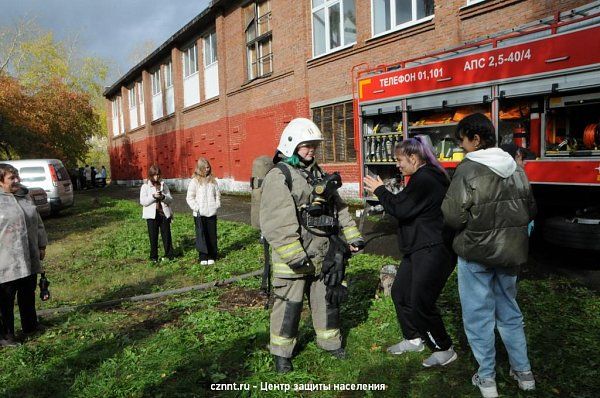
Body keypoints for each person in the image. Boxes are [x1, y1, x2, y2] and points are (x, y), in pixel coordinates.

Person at [442, 113, 537, 398]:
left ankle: (486, 379)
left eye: (463, 141)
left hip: (476, 254)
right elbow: (530, 209)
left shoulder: (468, 169)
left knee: (478, 316)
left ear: (476, 138)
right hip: (510, 254)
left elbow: (452, 216)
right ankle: (524, 373)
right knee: (509, 311)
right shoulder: (515, 167)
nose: (462, 147)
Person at [260, 118, 364, 373]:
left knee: (326, 300)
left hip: (322, 253)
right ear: (292, 145)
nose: (311, 151)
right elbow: (277, 221)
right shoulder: (280, 176)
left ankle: (330, 343)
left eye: (314, 146)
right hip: (293, 257)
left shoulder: (318, 173)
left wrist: (352, 236)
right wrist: (295, 256)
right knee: (288, 306)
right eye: (306, 146)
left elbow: (338, 208)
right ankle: (281, 353)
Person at [363, 137, 457, 368]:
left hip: (433, 250)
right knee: (401, 294)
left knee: (421, 302)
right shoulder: (422, 177)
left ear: (414, 158)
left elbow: (399, 208)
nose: (397, 164)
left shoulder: (426, 178)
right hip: (418, 249)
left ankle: (444, 348)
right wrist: (383, 192)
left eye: (399, 159)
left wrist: (380, 190)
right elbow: (403, 205)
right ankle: (414, 338)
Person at [0, 163, 48, 347]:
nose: (17, 180)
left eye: (17, 176)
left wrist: (42, 244)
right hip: (6, 260)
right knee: (5, 298)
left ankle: (30, 325)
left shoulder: (24, 196)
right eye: (11, 178)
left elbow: (39, 222)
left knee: (28, 292)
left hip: (29, 255)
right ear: (1, 181)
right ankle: (7, 335)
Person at [186, 158, 221, 265]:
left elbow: (217, 194)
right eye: (205, 167)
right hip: (200, 214)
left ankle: (212, 255)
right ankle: (203, 256)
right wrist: (197, 208)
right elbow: (189, 197)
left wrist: (216, 204)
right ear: (200, 168)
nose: (207, 169)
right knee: (201, 235)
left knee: (211, 235)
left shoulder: (213, 181)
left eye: (208, 167)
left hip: (211, 213)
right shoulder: (195, 181)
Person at [140, 164, 174, 262]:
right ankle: (153, 257)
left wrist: (163, 197)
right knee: (153, 236)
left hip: (163, 213)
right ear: (150, 175)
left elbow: (170, 200)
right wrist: (153, 197)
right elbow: (143, 202)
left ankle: (169, 255)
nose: (157, 177)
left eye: (158, 174)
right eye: (154, 175)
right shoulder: (145, 186)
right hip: (151, 215)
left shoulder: (164, 185)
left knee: (167, 235)